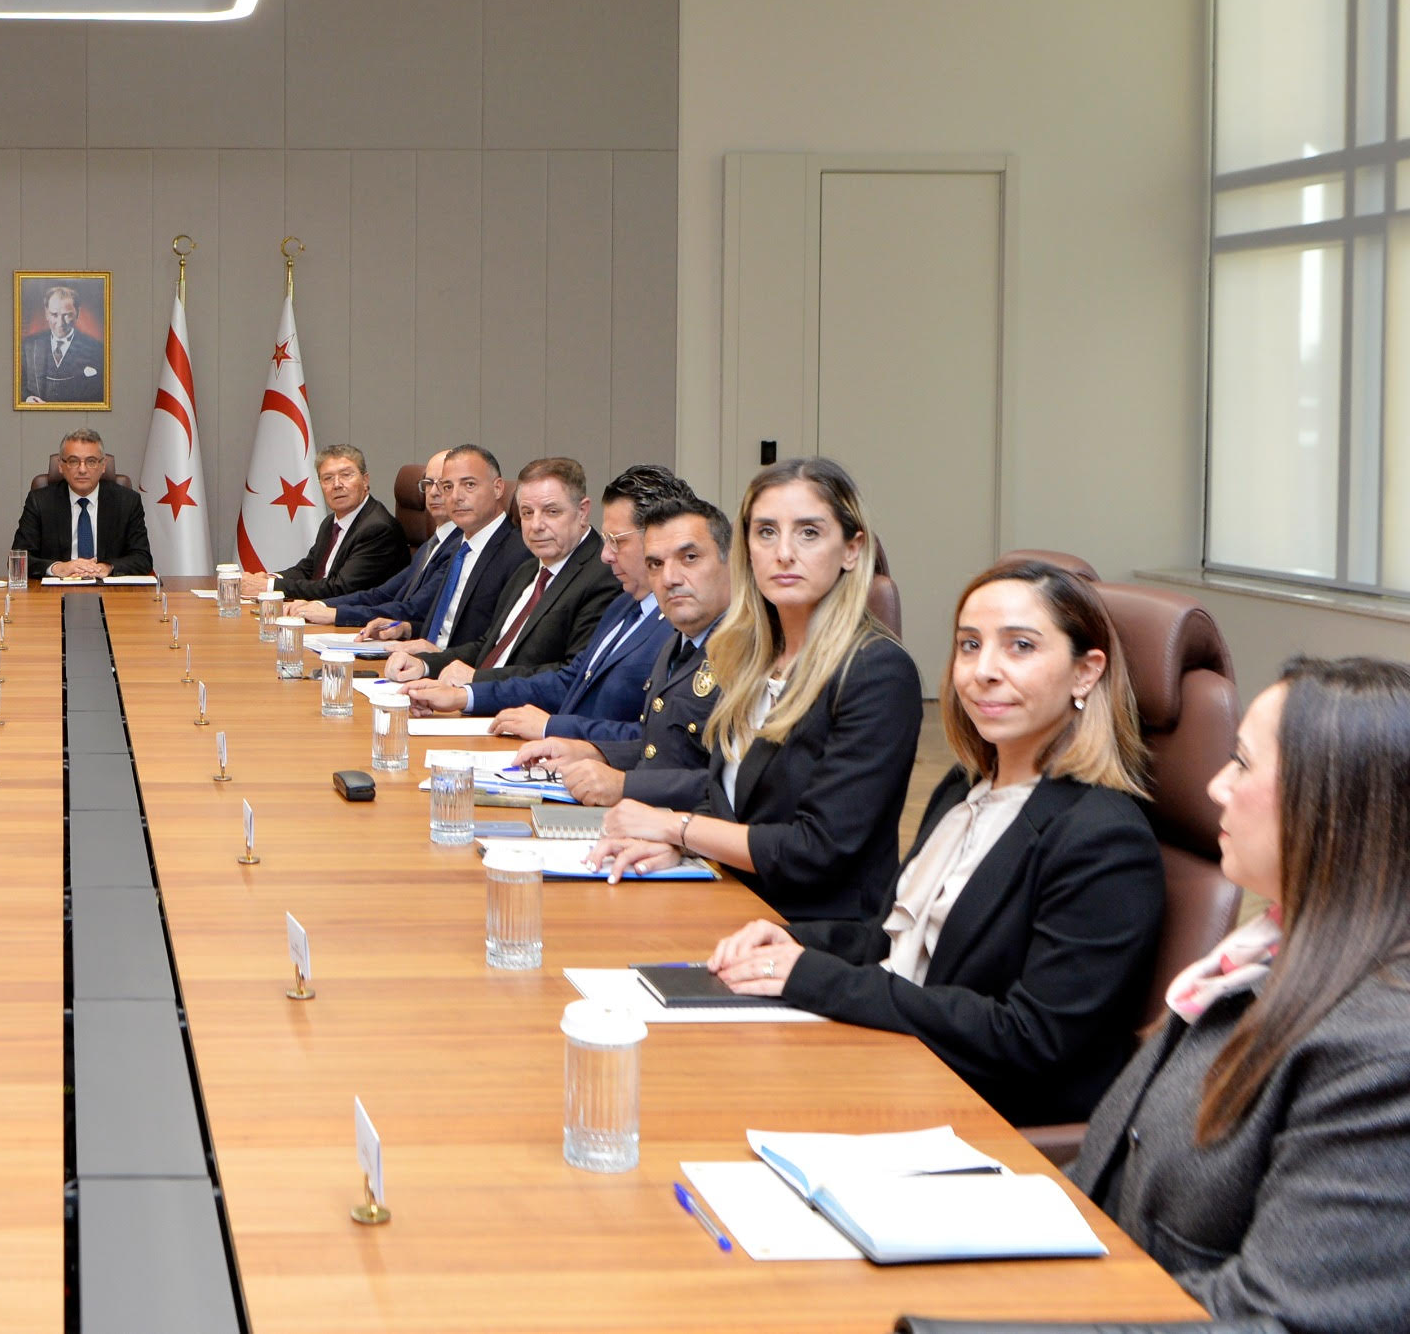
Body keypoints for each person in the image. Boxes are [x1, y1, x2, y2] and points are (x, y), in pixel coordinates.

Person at [707, 559, 1165, 1127]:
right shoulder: (965, 788)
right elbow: (896, 942)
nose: (983, 671)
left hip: (978, 1117)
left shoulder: (1105, 839)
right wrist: (789, 941)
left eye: (1021, 647)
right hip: (893, 1061)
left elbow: (1029, 1037)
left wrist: (815, 978)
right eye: (969, 645)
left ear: (1086, 673)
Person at [1071, 657, 1410, 1333]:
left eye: (1244, 763)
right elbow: (1109, 1176)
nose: (1216, 785)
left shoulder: (1382, 1050)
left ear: (1334, 806)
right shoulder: (1259, 959)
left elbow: (1275, 1320)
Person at [586, 456, 920, 923]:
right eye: (766, 532)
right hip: (729, 899)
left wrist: (678, 828)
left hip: (809, 934)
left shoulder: (877, 671)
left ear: (851, 549)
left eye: (808, 532)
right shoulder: (751, 658)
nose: (783, 552)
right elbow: (730, 802)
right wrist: (678, 848)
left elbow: (817, 849)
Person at [423, 466, 687, 734]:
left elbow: (657, 737)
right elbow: (571, 679)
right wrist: (466, 696)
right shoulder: (624, 606)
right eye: (527, 513)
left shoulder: (673, 620)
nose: (606, 555)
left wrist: (551, 728)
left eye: (616, 541)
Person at [511, 493, 735, 806]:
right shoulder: (678, 642)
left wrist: (627, 785)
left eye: (690, 558)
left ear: (731, 562)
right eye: (655, 564)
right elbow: (662, 748)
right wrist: (595, 751)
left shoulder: (750, 655)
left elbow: (736, 787)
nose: (669, 578)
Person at [371, 448, 547, 666]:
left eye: (469, 485)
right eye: (448, 487)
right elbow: (450, 629)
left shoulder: (520, 555)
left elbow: (499, 646)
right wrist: (408, 629)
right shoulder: (459, 547)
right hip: (423, 664)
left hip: (460, 674)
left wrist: (435, 658)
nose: (455, 497)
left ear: (498, 488)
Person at [287, 450, 453, 632]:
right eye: (428, 483)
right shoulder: (430, 545)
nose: (433, 492)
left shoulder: (457, 548)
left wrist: (336, 614)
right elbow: (381, 594)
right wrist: (321, 605)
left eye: (445, 484)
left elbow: (412, 610)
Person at [239, 444, 408, 602]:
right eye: (328, 478)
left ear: (365, 480)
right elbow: (308, 569)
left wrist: (269, 587)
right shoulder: (330, 522)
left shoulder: (378, 528)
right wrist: (269, 578)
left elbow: (340, 589)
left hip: (359, 618)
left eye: (346, 475)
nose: (337, 485)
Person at [12, 430, 153, 578]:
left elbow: (142, 558)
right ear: (60, 465)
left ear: (103, 465)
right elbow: (18, 559)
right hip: (58, 587)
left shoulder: (127, 501)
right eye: (73, 461)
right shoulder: (40, 501)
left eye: (91, 461)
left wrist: (108, 567)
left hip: (108, 587)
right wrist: (57, 568)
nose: (82, 469)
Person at [19, 284, 106, 404]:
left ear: (77, 313)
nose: (60, 323)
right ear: (46, 313)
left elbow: (101, 395)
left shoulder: (96, 349)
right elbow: (18, 385)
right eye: (54, 315)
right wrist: (27, 398)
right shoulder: (29, 346)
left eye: (67, 315)